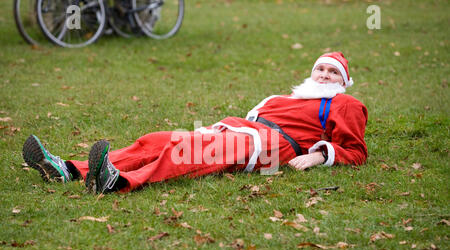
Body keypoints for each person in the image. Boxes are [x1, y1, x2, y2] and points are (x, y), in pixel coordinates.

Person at [22, 52, 368, 194]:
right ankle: (69, 169)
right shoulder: (287, 98)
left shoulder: (344, 103)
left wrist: (319, 155)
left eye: (332, 72)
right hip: (237, 129)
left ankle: (118, 181)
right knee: (156, 140)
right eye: (319, 69)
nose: (324, 74)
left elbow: (356, 150)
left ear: (343, 80)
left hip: (270, 146)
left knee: (184, 152)